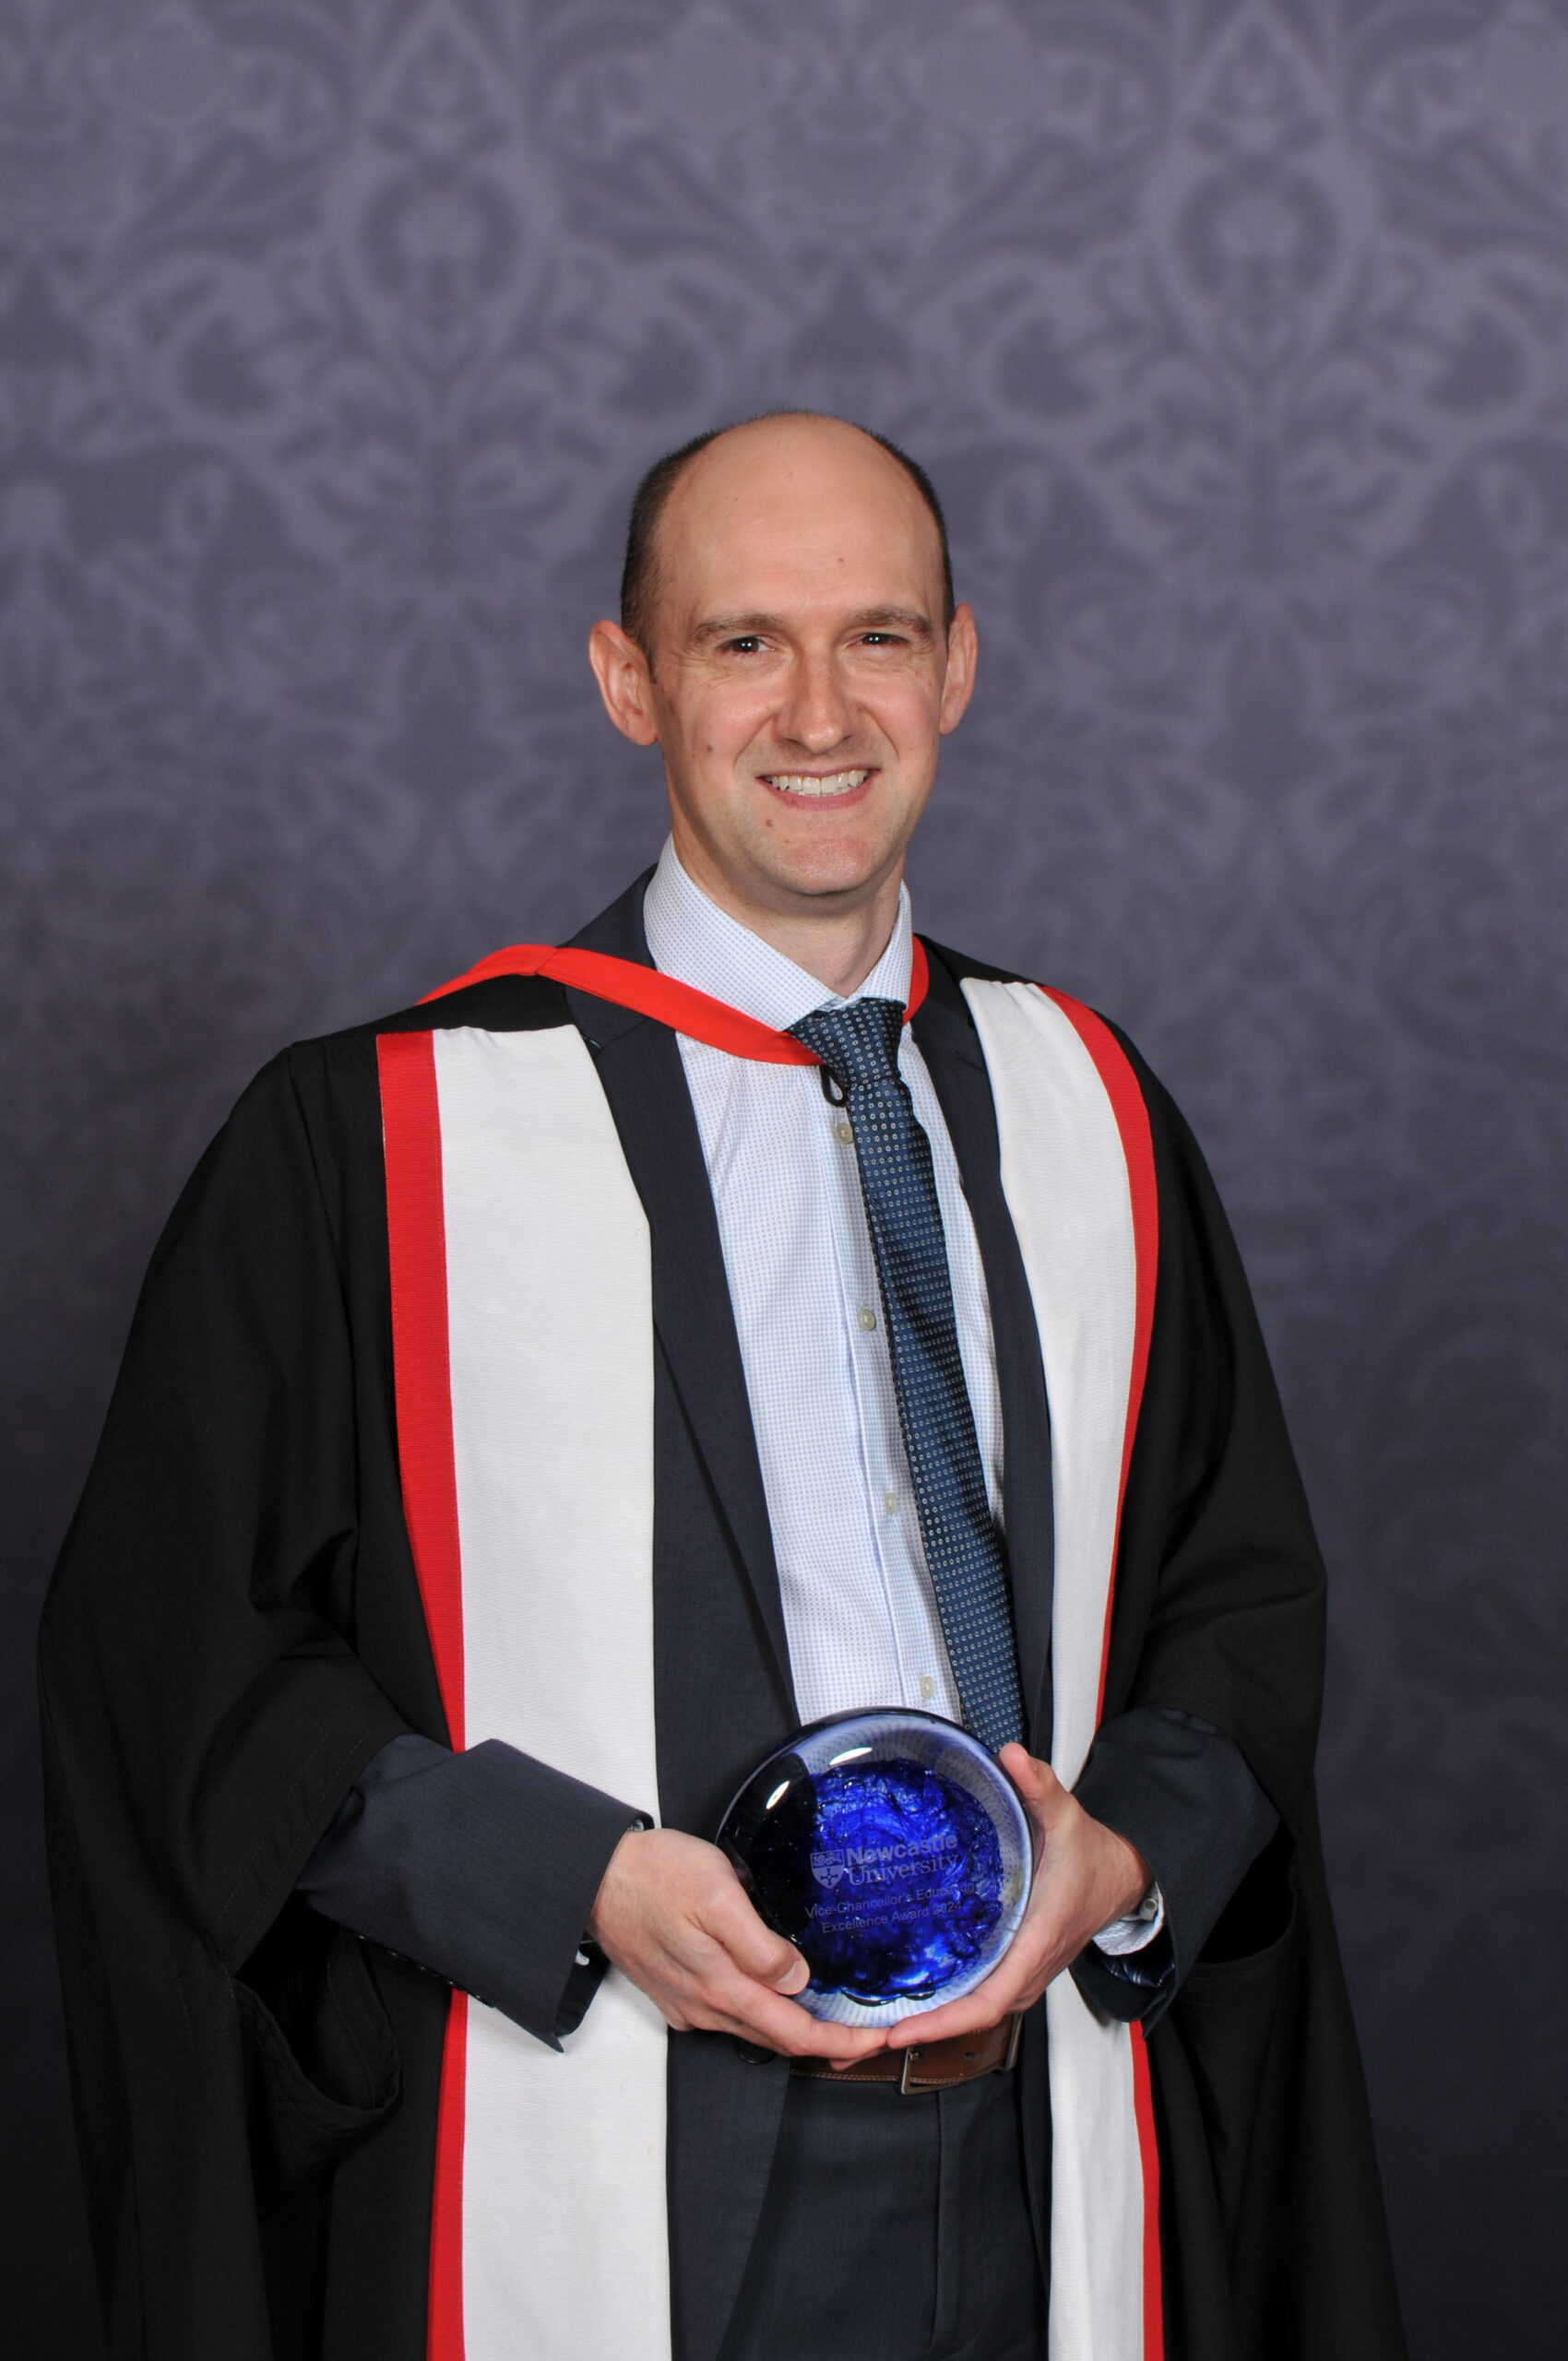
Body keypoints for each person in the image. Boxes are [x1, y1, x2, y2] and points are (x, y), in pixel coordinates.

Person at [41, 411, 1407, 2361]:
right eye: (744, 642)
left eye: (877, 637)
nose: (819, 711)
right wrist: (572, 1878)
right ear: (631, 681)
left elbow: (1237, 1592)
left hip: (1034, 2137)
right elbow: (179, 1668)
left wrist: (1121, 1849)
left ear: (957, 666)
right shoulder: (382, 1140)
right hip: (615, 2131)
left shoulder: (1090, 1107)